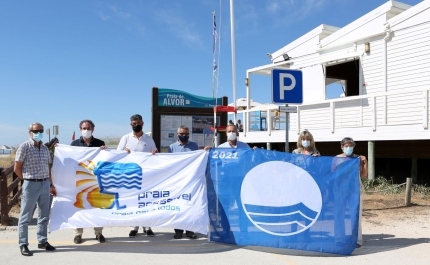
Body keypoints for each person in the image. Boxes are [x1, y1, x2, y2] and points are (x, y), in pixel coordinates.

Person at [14, 122, 56, 256]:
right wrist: (27, 179)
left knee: (44, 215)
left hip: (45, 184)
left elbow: (48, 167)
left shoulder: (44, 148)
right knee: (25, 216)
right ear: (30, 132)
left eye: (40, 131)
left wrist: (50, 183)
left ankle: (42, 241)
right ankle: (23, 244)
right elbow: (17, 168)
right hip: (31, 184)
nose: (38, 133)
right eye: (35, 131)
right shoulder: (24, 147)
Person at [117, 114, 157, 238]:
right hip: (131, 176)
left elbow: (154, 153)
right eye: (134, 123)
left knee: (146, 201)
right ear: (131, 124)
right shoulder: (126, 138)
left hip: (146, 176)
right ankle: (134, 226)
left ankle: (147, 226)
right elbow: (117, 154)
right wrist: (124, 152)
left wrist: (154, 153)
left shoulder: (149, 139)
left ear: (142, 123)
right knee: (133, 201)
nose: (136, 125)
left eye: (138, 123)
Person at [70, 120, 107, 244]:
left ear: (93, 129)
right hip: (80, 180)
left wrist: (105, 151)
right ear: (80, 129)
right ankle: (78, 233)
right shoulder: (74, 144)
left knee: (97, 207)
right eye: (84, 128)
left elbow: (105, 160)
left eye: (88, 128)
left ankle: (98, 232)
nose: (86, 130)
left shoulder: (99, 144)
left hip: (95, 180)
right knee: (79, 207)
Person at [335, 137, 368, 248]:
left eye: (350, 146)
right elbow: (331, 174)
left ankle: (357, 239)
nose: (348, 148)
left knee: (356, 214)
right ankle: (340, 237)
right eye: (346, 146)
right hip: (341, 191)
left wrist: (365, 162)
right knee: (340, 214)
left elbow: (364, 175)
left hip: (355, 190)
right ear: (342, 147)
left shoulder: (357, 159)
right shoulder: (337, 158)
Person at [168, 125, 198, 239]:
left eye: (186, 134)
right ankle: (178, 230)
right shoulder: (172, 147)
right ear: (177, 134)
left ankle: (190, 230)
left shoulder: (194, 146)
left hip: (191, 180)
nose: (184, 136)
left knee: (190, 206)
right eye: (182, 134)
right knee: (178, 206)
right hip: (178, 182)